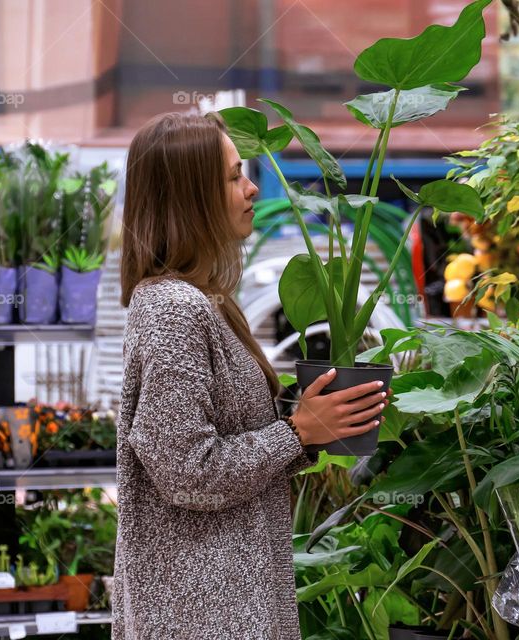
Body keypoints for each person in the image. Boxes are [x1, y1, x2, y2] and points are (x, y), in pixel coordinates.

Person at [112, 112, 389, 639]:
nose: (252, 187)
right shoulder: (174, 307)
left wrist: (314, 417)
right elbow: (185, 471)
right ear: (191, 195)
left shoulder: (205, 302)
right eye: (233, 175)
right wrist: (297, 432)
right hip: (201, 613)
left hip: (225, 603)